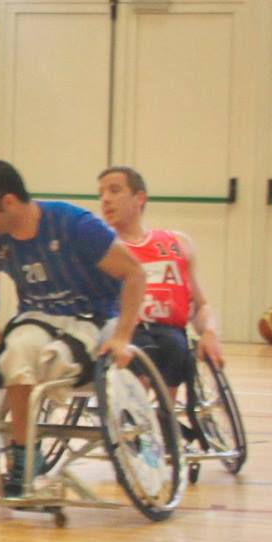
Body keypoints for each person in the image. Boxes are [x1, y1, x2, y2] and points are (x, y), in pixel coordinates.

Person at [0, 159, 147, 496]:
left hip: (91, 318)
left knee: (55, 357)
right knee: (15, 353)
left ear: (7, 202)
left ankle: (27, 440)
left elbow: (135, 274)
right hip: (39, 318)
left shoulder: (74, 226)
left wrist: (122, 337)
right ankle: (24, 456)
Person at [95, 165, 225, 392]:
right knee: (139, 352)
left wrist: (210, 333)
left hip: (169, 333)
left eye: (114, 190)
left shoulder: (177, 242)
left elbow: (200, 305)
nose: (105, 199)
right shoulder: (99, 247)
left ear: (139, 198)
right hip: (123, 333)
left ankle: (165, 419)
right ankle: (136, 414)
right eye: (101, 194)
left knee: (174, 349)